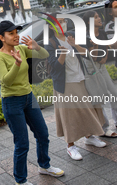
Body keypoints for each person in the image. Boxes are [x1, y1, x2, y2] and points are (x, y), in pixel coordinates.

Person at [0, 20, 64, 185]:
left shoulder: (21, 49)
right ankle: (20, 180)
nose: (16, 36)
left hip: (28, 97)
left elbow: (45, 55)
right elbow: (6, 81)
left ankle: (44, 165)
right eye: (11, 34)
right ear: (2, 37)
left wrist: (36, 46)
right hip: (12, 102)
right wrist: (17, 64)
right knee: (22, 143)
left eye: (16, 32)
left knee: (43, 134)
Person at [44, 15, 107, 161]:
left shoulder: (70, 36)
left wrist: (74, 45)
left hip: (81, 78)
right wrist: (63, 55)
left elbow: (86, 54)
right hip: (66, 83)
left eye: (63, 21)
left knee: (88, 109)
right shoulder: (50, 43)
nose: (62, 24)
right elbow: (55, 66)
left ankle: (89, 137)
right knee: (69, 115)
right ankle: (70, 146)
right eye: (58, 22)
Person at [82, 11, 117, 132]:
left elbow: (109, 47)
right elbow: (94, 57)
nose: (99, 19)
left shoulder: (101, 32)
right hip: (92, 69)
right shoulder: (86, 36)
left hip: (102, 66)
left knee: (114, 95)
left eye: (99, 16)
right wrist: (98, 52)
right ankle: (104, 127)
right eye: (96, 17)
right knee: (99, 99)